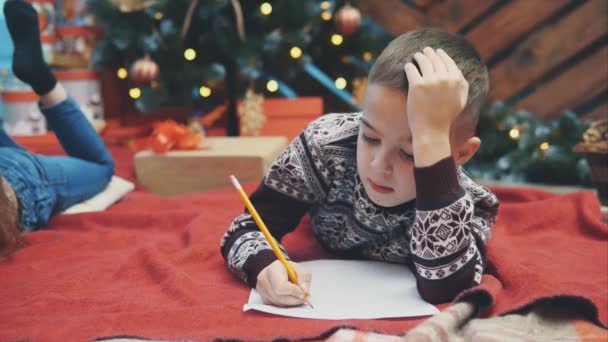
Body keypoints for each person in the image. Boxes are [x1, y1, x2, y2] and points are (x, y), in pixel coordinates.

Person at [220, 27, 500, 306]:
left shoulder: (472, 204)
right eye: (369, 137)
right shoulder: (326, 145)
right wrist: (265, 266)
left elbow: (446, 289)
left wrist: (432, 141)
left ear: (461, 154)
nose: (379, 165)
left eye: (409, 153)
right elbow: (246, 228)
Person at [0, 0, 114, 257]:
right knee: (97, 165)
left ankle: (41, 77)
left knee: (102, 167)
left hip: (17, 181)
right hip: (14, 176)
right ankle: (42, 77)